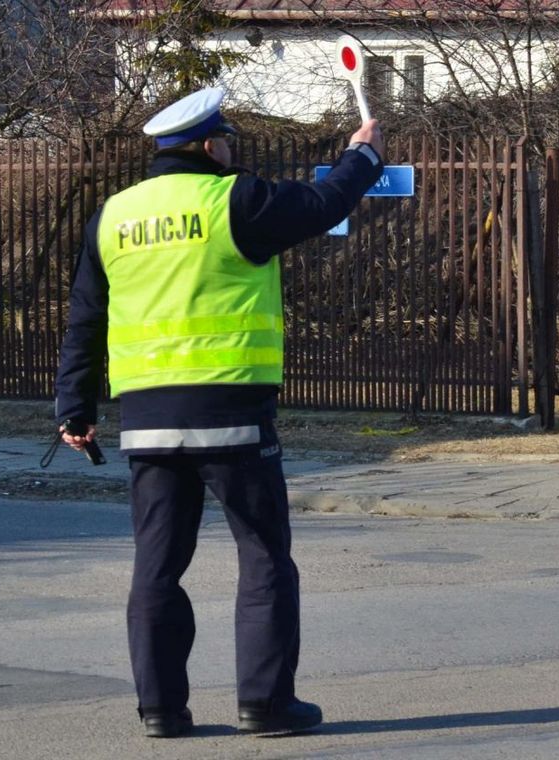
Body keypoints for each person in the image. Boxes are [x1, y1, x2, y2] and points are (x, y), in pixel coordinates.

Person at [54, 87, 384, 738]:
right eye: (227, 141)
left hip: (147, 420)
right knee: (263, 555)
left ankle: (161, 711)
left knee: (156, 567)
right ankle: (265, 704)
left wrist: (74, 406)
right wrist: (363, 157)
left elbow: (85, 318)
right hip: (231, 411)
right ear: (209, 146)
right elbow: (323, 204)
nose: (232, 150)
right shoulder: (234, 200)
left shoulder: (113, 216)